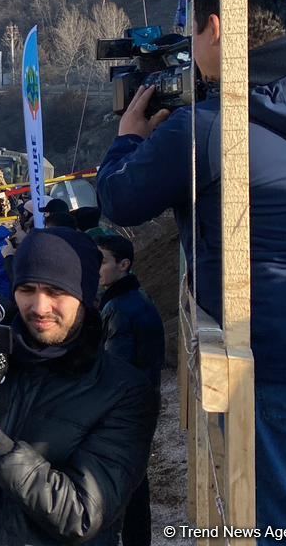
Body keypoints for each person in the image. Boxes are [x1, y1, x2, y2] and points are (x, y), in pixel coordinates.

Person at [96, 0, 286, 534]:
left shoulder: (209, 129)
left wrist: (129, 136)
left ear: (214, 29)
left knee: (285, 519)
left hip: (274, 359)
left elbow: (121, 199)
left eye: (191, 36)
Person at [0, 228, 159, 545]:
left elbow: (82, 516)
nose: (39, 306)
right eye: (27, 289)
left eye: (56, 291)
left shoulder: (124, 391)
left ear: (84, 295)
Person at [94, 232, 164, 546]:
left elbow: (116, 370)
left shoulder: (121, 309)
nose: (97, 268)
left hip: (126, 409)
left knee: (127, 481)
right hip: (141, 402)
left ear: (124, 264)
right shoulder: (130, 299)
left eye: (103, 261)